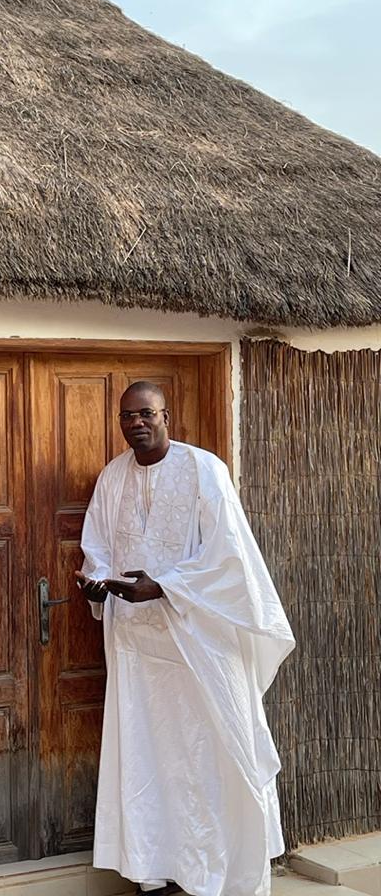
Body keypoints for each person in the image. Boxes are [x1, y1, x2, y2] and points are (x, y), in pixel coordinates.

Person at [75, 381, 294, 896]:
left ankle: (214, 874)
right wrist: (98, 583)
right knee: (150, 760)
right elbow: (98, 546)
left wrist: (165, 588)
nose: (136, 423)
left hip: (200, 650)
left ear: (166, 415)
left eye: (145, 413)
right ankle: (158, 871)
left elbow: (230, 558)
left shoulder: (204, 471)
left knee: (205, 761)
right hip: (138, 654)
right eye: (127, 416)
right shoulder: (112, 479)